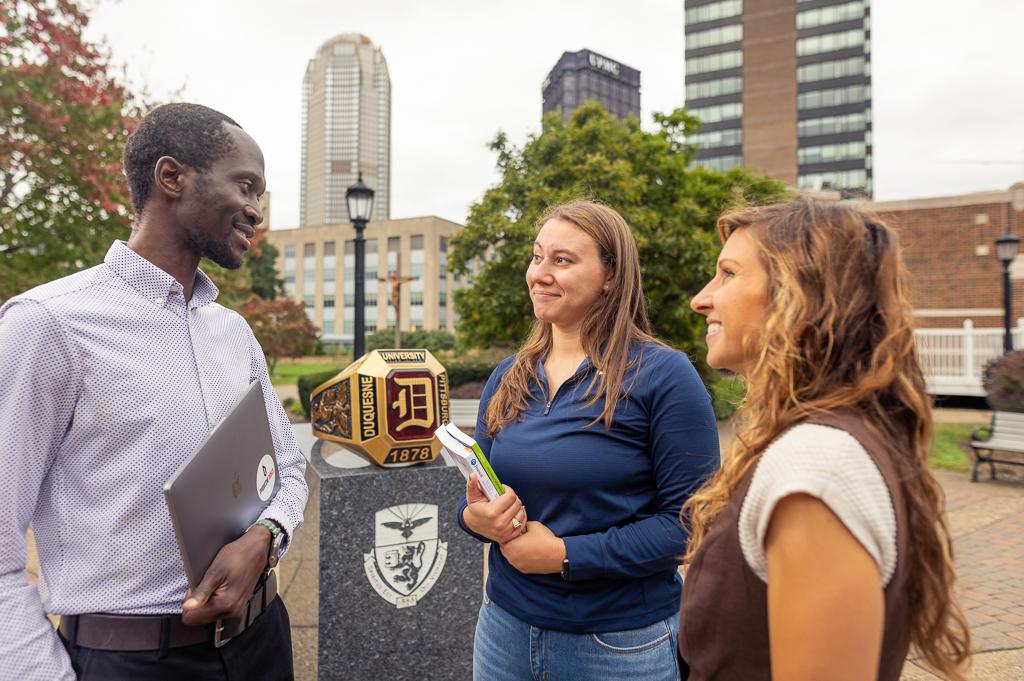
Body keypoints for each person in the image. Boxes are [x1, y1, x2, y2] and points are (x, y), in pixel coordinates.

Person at [0, 103, 308, 680]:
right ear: (172, 178)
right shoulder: (47, 324)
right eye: (246, 186)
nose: (257, 212)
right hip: (134, 661)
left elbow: (288, 467)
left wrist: (265, 539)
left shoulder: (232, 331)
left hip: (264, 643)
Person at [680, 197, 971, 680]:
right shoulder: (822, 443)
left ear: (800, 294)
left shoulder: (816, 465)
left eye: (729, 273)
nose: (701, 299)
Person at [457, 200, 719, 681]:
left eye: (563, 260)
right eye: (538, 257)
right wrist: (476, 517)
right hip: (503, 631)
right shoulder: (508, 377)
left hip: (619, 645)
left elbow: (690, 524)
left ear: (611, 276)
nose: (540, 273)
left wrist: (566, 556)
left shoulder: (663, 375)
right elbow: (474, 494)